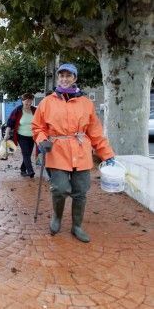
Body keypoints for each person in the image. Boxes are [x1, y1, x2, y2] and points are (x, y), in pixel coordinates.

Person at [32, 63, 115, 243]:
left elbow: (95, 132)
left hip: (81, 152)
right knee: (60, 189)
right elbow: (38, 127)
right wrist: (41, 140)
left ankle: (77, 226)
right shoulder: (47, 102)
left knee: (80, 192)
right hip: (57, 151)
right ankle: (57, 217)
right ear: (58, 78)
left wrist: (107, 155)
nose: (64, 78)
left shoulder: (86, 103)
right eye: (61, 75)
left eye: (69, 75)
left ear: (75, 78)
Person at [4, 93, 37, 177]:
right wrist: (6, 134)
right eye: (26, 103)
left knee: (28, 154)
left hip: (32, 136)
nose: (28, 104)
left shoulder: (34, 110)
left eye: (30, 103)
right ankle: (30, 171)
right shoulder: (17, 110)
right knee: (26, 153)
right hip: (21, 136)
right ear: (22, 101)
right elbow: (10, 123)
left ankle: (23, 169)